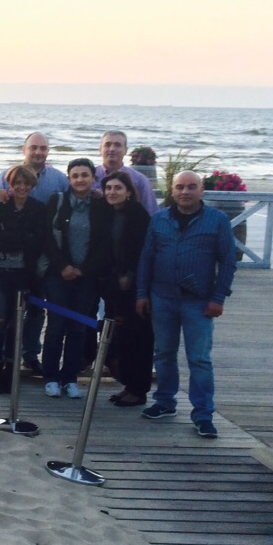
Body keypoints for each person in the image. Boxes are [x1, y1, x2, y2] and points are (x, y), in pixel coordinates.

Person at [136, 170, 238, 438]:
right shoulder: (159, 219)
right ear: (172, 191)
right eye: (180, 187)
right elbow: (147, 258)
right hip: (162, 297)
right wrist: (141, 293)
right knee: (164, 353)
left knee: (200, 359)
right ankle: (165, 402)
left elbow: (228, 261)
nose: (185, 192)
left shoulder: (217, 221)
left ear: (201, 190)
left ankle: (203, 414)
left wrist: (218, 298)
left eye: (191, 187)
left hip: (199, 301)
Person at [0, 132, 70, 375]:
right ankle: (2, 362)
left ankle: (29, 355)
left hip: (42, 258)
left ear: (48, 151)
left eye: (43, 148)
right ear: (24, 149)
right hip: (5, 265)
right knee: (3, 316)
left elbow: (73, 202)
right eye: (33, 147)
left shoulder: (58, 179)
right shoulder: (6, 176)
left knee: (36, 309)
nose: (38, 152)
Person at [40, 158, 108, 399]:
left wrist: (84, 270)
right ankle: (50, 377)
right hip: (58, 275)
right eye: (75, 175)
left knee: (78, 328)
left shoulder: (101, 205)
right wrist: (64, 266)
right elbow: (47, 237)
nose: (80, 179)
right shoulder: (57, 201)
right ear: (69, 179)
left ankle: (70, 378)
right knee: (56, 325)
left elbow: (103, 243)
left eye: (85, 175)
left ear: (93, 178)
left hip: (87, 277)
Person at [0, 165, 48, 395]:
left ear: (32, 185)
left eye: (26, 183)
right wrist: (20, 236)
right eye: (17, 182)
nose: (21, 187)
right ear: (10, 183)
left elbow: (37, 241)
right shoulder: (0, 203)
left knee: (15, 324)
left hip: (23, 275)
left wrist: (14, 235)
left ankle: (10, 369)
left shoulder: (38, 208)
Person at [99, 171, 154, 407]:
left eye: (118, 188)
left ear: (129, 191)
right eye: (108, 188)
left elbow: (142, 250)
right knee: (120, 335)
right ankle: (128, 385)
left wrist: (129, 275)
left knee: (138, 337)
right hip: (114, 285)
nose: (112, 192)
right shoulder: (109, 213)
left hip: (135, 285)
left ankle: (138, 389)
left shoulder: (137, 214)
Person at [93, 130, 157, 215]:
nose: (112, 149)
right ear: (100, 149)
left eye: (117, 145)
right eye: (107, 145)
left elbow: (151, 212)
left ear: (125, 150)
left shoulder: (139, 180)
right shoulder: (88, 177)